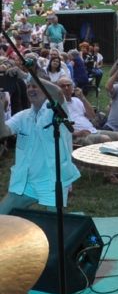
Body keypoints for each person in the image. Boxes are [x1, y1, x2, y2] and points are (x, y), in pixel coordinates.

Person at [0, 67, 81, 214]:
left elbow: (58, 93)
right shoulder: (22, 116)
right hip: (26, 181)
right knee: (2, 215)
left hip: (51, 181)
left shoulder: (58, 110)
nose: (31, 89)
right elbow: (3, 131)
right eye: (29, 86)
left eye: (35, 86)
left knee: (55, 230)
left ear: (46, 90)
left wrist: (26, 75)